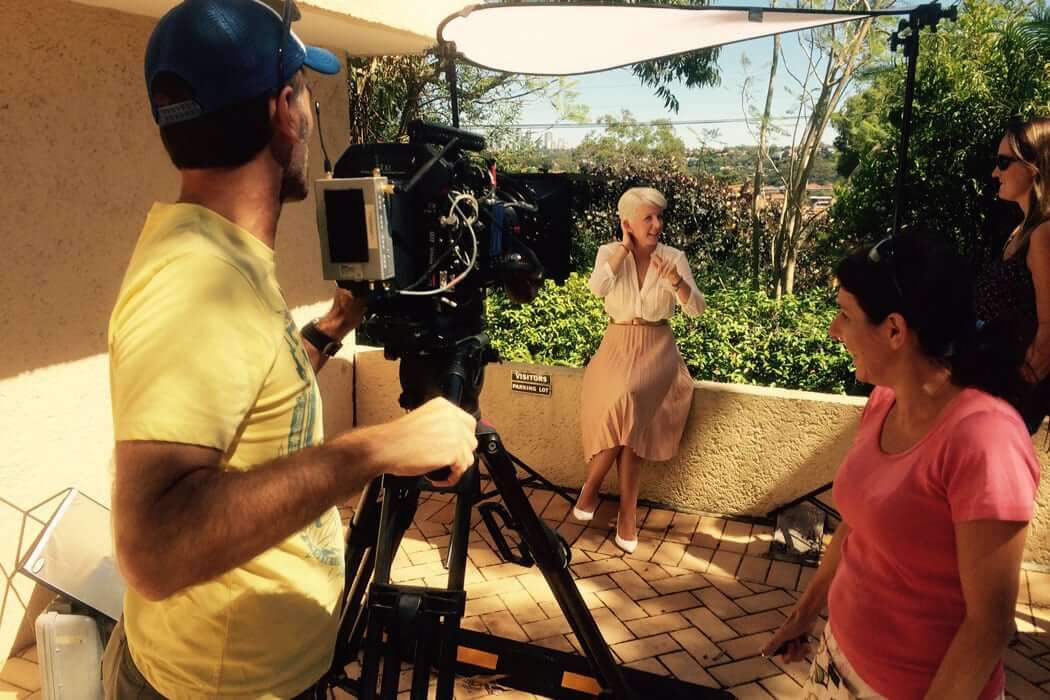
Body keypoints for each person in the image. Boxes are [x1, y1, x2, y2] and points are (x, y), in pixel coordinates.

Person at [102, 1, 477, 698]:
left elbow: (245, 415)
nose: (306, 111)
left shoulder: (216, 256)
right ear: (284, 111)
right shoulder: (195, 282)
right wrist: (379, 447)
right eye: (305, 92)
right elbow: (153, 549)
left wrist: (328, 330)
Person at [762, 232, 1040, 699]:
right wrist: (805, 614)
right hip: (838, 662)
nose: (833, 330)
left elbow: (989, 625)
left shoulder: (984, 439)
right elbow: (857, 526)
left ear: (895, 330)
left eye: (845, 314)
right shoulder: (883, 402)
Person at [572, 187, 705, 554]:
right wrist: (622, 253)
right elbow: (597, 289)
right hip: (616, 345)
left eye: (659, 217)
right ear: (627, 223)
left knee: (630, 399)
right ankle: (626, 515)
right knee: (632, 423)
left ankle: (591, 487)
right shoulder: (608, 254)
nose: (657, 224)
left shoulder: (673, 257)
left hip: (657, 347)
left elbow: (696, 309)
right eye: (648, 218)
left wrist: (676, 282)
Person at [974, 116, 1050, 434]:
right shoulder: (1022, 230)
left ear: (1035, 166)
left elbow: (1048, 333)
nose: (995, 172)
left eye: (1003, 162)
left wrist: (1008, 401)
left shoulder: (1043, 233)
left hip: (1010, 397)